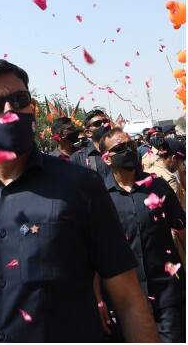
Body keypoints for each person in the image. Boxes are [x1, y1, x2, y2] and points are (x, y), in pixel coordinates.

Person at [0, 59, 159, 342]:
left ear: (31, 108)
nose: (9, 112)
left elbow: (128, 300)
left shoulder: (82, 188)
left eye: (19, 101)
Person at [99, 128, 186, 342]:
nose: (128, 151)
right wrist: (98, 298)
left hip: (168, 294)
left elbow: (182, 231)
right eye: (120, 149)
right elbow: (95, 252)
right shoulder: (100, 197)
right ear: (107, 158)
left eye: (130, 146)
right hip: (126, 302)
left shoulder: (158, 186)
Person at [145, 137, 186, 210]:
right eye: (181, 162)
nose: (181, 165)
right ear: (174, 159)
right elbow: (175, 210)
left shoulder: (147, 172)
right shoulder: (169, 179)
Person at [70, 108, 111, 176]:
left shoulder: (121, 150)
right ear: (88, 132)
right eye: (97, 123)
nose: (103, 125)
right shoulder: (78, 158)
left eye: (105, 121)